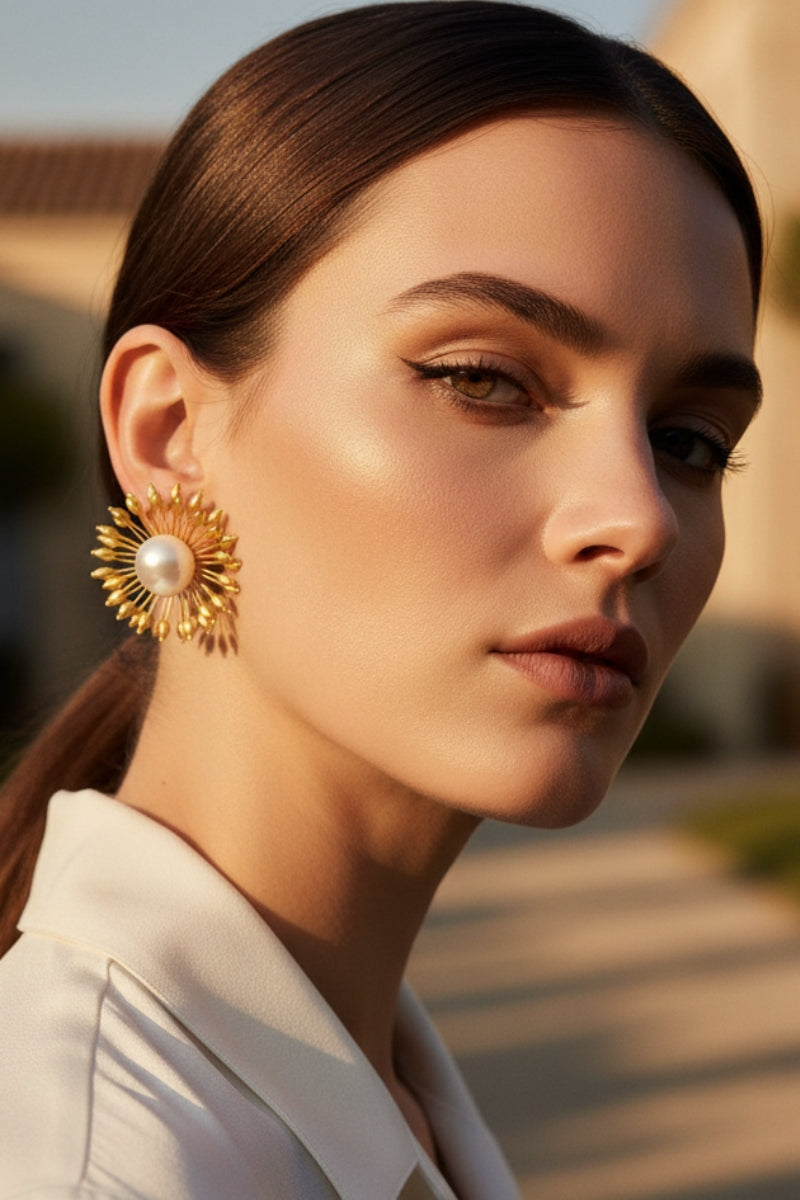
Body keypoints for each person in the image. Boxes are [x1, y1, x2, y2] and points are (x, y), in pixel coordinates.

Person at [0, 3, 763, 1197]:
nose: (638, 518)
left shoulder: (362, 1077)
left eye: (687, 441)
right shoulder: (91, 1161)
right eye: (481, 380)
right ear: (169, 434)